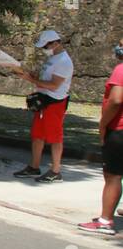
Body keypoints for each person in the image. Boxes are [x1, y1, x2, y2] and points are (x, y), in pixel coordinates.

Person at [10, 29, 74, 183]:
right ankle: (34, 166)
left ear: (56, 43)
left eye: (46, 46)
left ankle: (56, 170)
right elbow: (45, 78)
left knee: (54, 137)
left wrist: (30, 80)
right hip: (44, 100)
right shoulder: (53, 58)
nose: (45, 50)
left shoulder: (64, 62)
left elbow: (53, 85)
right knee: (37, 135)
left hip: (55, 101)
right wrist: (29, 75)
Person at [78, 37, 123, 234]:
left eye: (122, 44)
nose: (118, 47)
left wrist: (103, 124)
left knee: (112, 175)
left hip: (119, 129)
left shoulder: (121, 70)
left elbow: (116, 100)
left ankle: (105, 221)